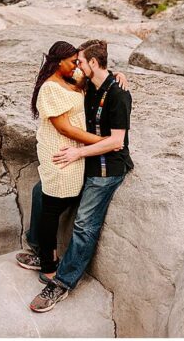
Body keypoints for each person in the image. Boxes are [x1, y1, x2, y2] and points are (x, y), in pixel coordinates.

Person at [30, 39, 133, 313]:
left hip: (106, 169)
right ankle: (40, 251)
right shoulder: (91, 84)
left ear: (93, 64)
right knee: (41, 191)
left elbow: (116, 142)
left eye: (81, 62)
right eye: (76, 62)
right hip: (88, 162)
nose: (78, 66)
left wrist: (77, 154)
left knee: (84, 223)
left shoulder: (119, 95)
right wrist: (119, 72)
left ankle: (61, 283)